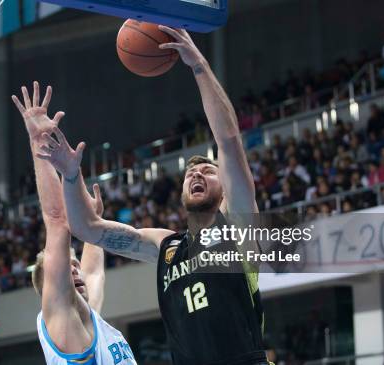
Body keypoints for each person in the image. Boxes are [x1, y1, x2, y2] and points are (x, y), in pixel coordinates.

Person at [36, 27, 267, 365]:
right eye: (190, 173)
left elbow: (229, 144)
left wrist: (199, 65)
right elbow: (87, 228)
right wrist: (71, 175)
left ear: (225, 190)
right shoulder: (166, 246)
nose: (196, 173)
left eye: (207, 171)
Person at [12, 83, 137, 365]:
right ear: (49, 286)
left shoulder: (92, 317)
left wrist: (91, 218)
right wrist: (39, 142)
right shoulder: (59, 315)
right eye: (67, 268)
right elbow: (58, 221)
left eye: (75, 264)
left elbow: (94, 267)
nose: (76, 268)